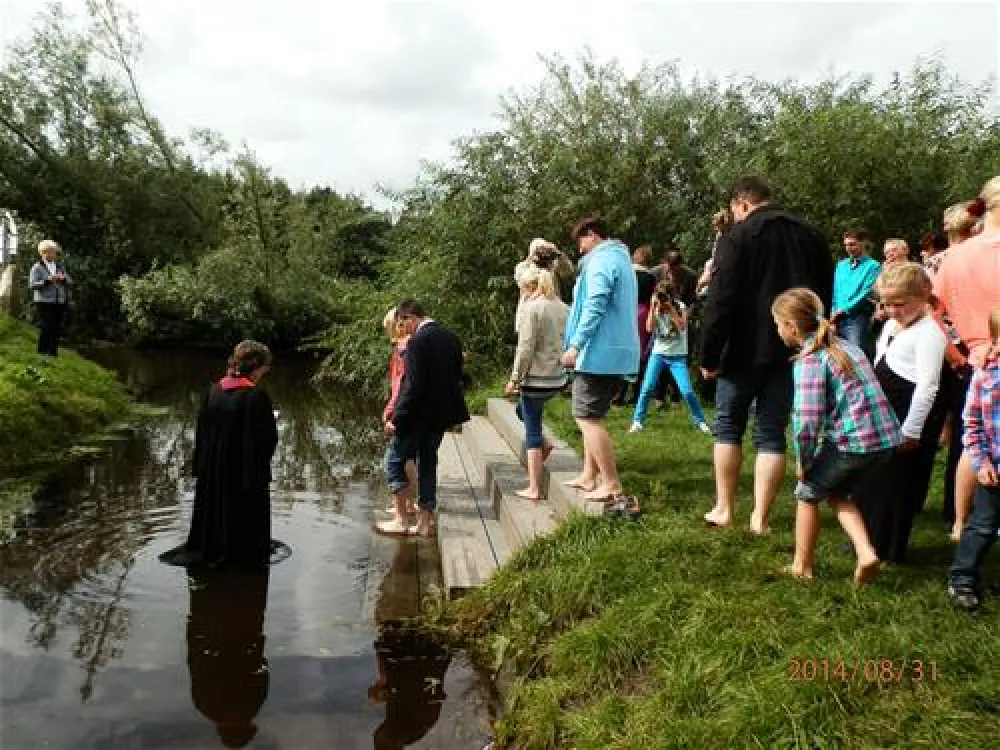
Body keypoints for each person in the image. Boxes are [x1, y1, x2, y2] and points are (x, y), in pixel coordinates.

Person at [700, 176, 834, 534]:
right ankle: (761, 517)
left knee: (728, 426)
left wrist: (708, 355)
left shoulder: (737, 237)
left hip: (742, 349)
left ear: (742, 204)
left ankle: (724, 508)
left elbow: (721, 300)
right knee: (771, 431)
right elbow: (825, 295)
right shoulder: (812, 235)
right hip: (795, 350)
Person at [773, 288, 900, 584]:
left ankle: (801, 567)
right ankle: (866, 552)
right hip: (885, 439)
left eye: (777, 325)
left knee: (807, 494)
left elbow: (806, 421)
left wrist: (803, 463)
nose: (777, 331)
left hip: (853, 443)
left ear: (791, 326)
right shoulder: (847, 347)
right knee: (838, 492)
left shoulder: (810, 360)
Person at [855, 263, 948, 563]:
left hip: (906, 411)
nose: (892, 310)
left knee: (894, 484)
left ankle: (887, 545)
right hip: (883, 410)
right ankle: (866, 538)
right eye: (886, 304)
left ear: (922, 297)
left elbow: (928, 386)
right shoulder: (893, 325)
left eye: (899, 304)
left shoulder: (929, 333)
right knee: (872, 478)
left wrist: (912, 429)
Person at [160, 341, 279, 569]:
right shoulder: (257, 396)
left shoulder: (213, 391)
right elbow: (267, 440)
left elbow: (202, 435)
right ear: (257, 366)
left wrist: (202, 468)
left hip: (213, 472)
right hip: (243, 474)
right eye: (266, 367)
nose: (266, 371)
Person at [560, 215, 640, 513]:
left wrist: (576, 344)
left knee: (587, 417)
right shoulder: (621, 259)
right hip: (614, 351)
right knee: (591, 415)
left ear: (592, 235)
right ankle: (589, 474)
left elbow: (596, 302)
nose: (581, 249)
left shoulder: (602, 261)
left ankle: (610, 483)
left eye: (581, 241)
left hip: (598, 352)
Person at [387, 300, 471, 537]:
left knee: (394, 462)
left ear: (413, 318)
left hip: (417, 416)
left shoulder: (417, 343)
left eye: (404, 323)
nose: (405, 329)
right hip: (442, 414)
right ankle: (424, 522)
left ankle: (401, 519)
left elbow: (412, 386)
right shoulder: (451, 338)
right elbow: (456, 377)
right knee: (428, 463)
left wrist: (397, 418)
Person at [934, 196, 992, 537]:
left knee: (971, 439)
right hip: (981, 354)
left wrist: (955, 354)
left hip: (969, 356)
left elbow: (932, 309)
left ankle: (960, 521)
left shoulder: (952, 258)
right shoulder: (974, 255)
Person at [947, 308, 1000, 612]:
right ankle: (962, 578)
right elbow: (973, 425)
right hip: (994, 471)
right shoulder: (985, 376)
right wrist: (982, 464)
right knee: (983, 525)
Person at [185, 568, 270, 748]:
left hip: (243, 633)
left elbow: (262, 671)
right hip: (209, 633)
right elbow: (193, 663)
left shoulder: (251, 706)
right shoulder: (204, 706)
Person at [504, 267, 569, 500]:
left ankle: (534, 487)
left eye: (522, 290)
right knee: (524, 411)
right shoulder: (565, 308)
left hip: (535, 378)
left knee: (531, 427)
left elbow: (525, 348)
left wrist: (514, 379)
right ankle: (545, 442)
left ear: (530, 288)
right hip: (558, 377)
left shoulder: (532, 310)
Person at [629, 280, 711, 434]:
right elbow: (649, 328)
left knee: (686, 391)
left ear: (671, 296)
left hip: (677, 356)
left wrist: (671, 310)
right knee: (647, 388)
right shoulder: (656, 308)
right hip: (658, 354)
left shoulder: (680, 306)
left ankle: (700, 421)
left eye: (664, 296)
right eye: (658, 295)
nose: (661, 299)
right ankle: (637, 421)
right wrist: (654, 309)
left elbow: (682, 326)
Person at [378, 307, 419, 535]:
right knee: (409, 458)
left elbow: (400, 388)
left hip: (404, 414)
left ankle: (400, 519)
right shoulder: (413, 347)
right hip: (414, 414)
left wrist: (391, 411)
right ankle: (408, 505)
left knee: (393, 463)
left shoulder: (403, 351)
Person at [614, 245, 656, 405]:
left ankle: (619, 393)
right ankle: (637, 393)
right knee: (641, 353)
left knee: (624, 350)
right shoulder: (651, 277)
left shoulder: (627, 273)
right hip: (644, 312)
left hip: (627, 310)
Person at [831, 228, 880, 351]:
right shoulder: (841, 265)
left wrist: (844, 310)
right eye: (846, 245)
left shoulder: (873, 266)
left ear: (863, 243)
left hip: (856, 319)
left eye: (852, 244)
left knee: (855, 354)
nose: (848, 248)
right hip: (835, 318)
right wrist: (833, 310)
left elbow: (867, 293)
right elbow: (835, 290)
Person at [514, 237, 574, 331]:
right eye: (540, 250)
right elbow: (524, 281)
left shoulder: (553, 266)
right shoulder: (523, 267)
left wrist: (559, 254)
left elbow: (568, 272)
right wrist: (536, 262)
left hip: (551, 312)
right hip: (529, 314)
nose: (543, 253)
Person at [28, 239, 72, 356]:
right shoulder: (37, 267)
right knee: (47, 326)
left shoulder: (59, 266)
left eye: (55, 252)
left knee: (56, 328)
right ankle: (42, 353)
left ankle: (53, 353)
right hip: (43, 301)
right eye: (51, 252)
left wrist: (63, 279)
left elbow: (70, 281)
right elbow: (32, 285)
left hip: (59, 301)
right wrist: (47, 281)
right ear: (43, 253)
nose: (54, 255)